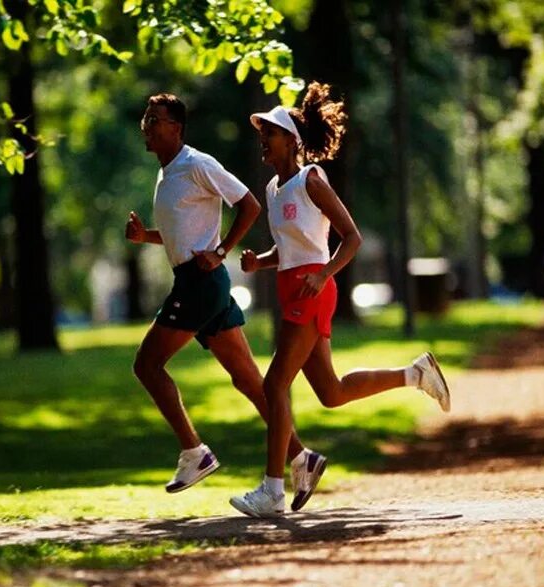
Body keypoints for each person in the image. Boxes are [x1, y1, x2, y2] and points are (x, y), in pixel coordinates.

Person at [229, 83, 451, 518]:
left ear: (292, 140)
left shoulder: (311, 179)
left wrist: (324, 274)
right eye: (263, 131)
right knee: (330, 392)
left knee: (273, 385)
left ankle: (273, 489)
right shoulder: (275, 190)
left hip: (313, 292)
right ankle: (415, 374)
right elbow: (292, 249)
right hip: (294, 286)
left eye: (271, 131)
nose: (264, 137)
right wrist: (261, 263)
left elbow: (351, 238)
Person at [126, 93, 325, 504]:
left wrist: (221, 252)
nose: (147, 124)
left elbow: (248, 204)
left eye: (155, 118)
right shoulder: (166, 174)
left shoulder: (196, 164)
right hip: (199, 283)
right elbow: (183, 234)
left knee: (147, 364)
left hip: (200, 284)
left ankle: (194, 452)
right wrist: (145, 236)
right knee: (251, 382)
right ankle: (301, 457)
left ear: (176, 128)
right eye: (146, 117)